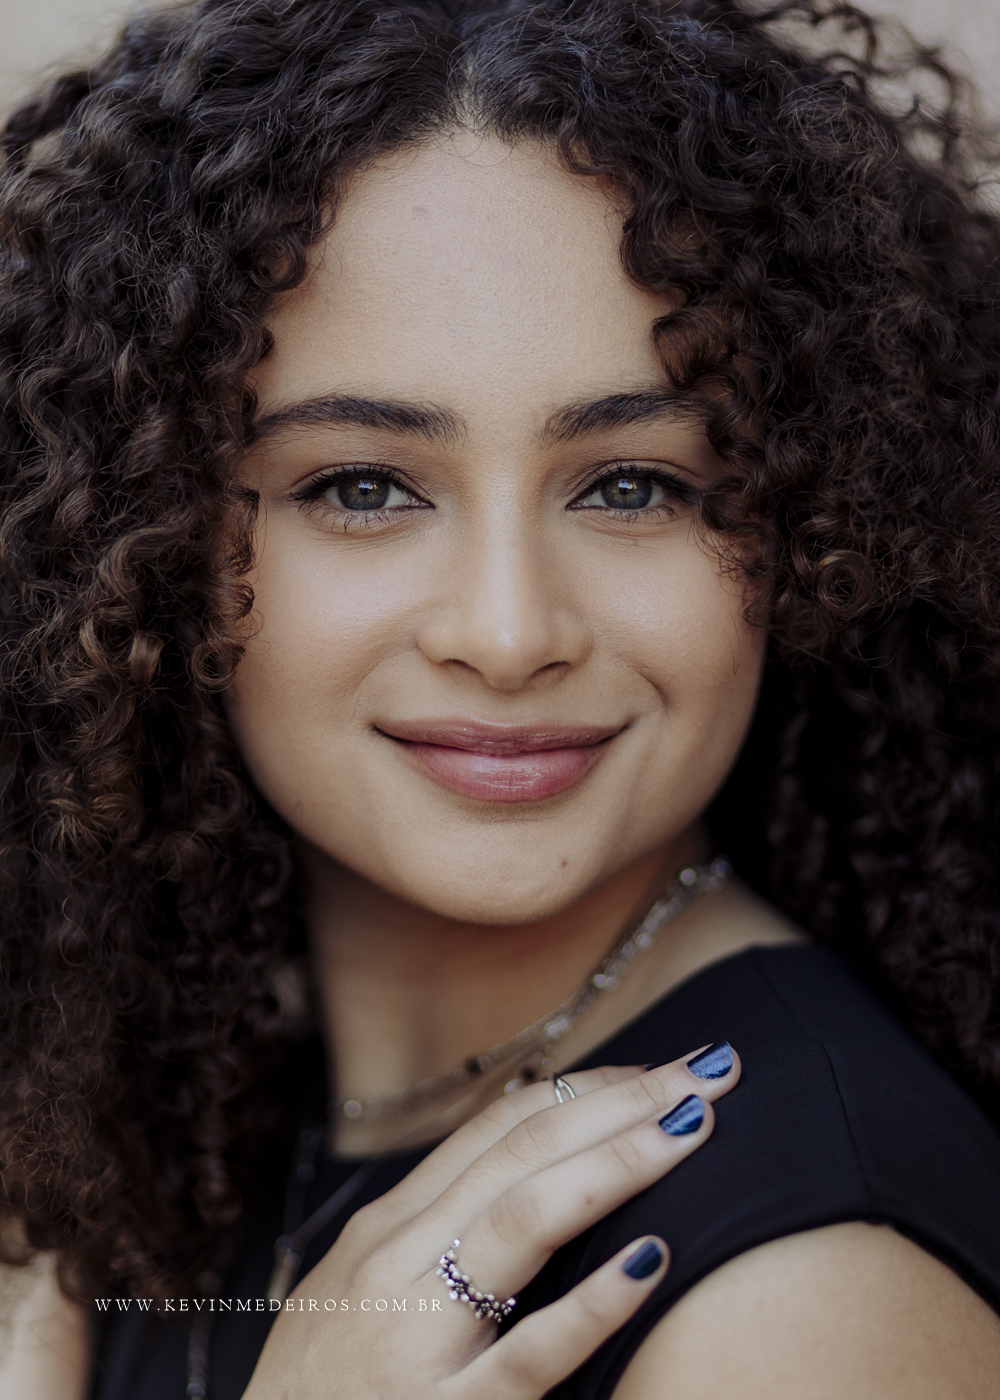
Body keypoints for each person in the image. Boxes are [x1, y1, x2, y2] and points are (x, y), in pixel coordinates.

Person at [3, 0, 1000, 1395]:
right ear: (139, 534)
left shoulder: (808, 1301)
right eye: (363, 487)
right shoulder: (141, 1123)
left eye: (635, 485)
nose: (509, 631)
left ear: (815, 525)